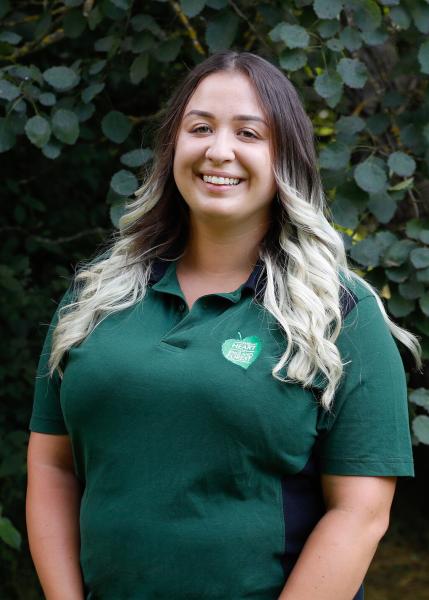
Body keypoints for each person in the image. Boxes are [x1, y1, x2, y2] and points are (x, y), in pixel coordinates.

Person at [26, 50, 422, 600]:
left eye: (249, 133)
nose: (219, 150)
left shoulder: (340, 312)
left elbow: (360, 514)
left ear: (287, 158)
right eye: (201, 128)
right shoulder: (94, 297)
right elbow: (51, 466)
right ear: (172, 148)